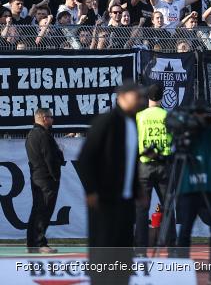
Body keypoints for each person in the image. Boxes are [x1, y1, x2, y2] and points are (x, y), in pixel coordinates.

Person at [78, 80, 143, 285]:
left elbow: (131, 161)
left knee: (123, 249)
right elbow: (86, 158)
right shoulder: (106, 121)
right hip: (104, 199)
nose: (140, 99)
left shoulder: (132, 123)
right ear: (121, 97)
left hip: (125, 200)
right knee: (104, 250)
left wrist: (137, 189)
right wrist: (91, 190)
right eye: (136, 95)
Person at [175, 102, 211, 284]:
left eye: (206, 115)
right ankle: (182, 272)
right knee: (185, 231)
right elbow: (176, 149)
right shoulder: (186, 129)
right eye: (200, 115)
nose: (203, 119)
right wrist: (191, 126)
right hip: (190, 188)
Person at [134, 84, 175, 256]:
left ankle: (140, 250)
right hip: (164, 164)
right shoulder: (168, 116)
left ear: (147, 98)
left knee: (142, 209)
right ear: (162, 98)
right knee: (168, 207)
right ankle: (173, 248)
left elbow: (134, 138)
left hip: (145, 164)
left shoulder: (139, 116)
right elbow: (174, 140)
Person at [25, 108, 64, 254]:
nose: (52, 120)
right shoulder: (43, 135)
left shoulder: (30, 135)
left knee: (37, 210)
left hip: (36, 177)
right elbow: (50, 158)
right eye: (50, 117)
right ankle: (40, 243)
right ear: (43, 117)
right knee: (44, 211)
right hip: (46, 179)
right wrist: (56, 176)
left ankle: (32, 243)